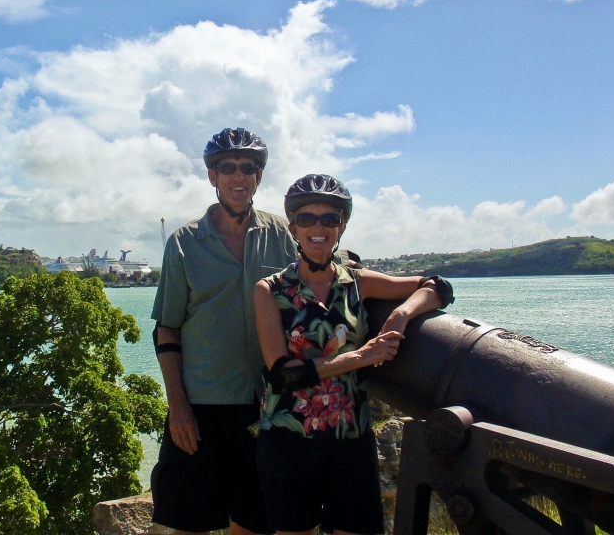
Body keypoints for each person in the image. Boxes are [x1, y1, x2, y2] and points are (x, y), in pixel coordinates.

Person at [253, 174, 454, 535]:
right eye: (307, 219)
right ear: (293, 227)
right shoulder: (270, 290)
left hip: (351, 437)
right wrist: (363, 356)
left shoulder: (357, 281)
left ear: (342, 226)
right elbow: (284, 374)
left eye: (330, 219)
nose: (319, 227)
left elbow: (437, 286)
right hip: (289, 439)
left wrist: (401, 314)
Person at [150, 128, 299, 535]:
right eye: (227, 168)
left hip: (267, 405)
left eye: (249, 168)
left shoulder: (282, 237)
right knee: (189, 522)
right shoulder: (184, 243)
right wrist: (177, 407)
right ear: (212, 176)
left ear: (259, 177)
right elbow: (166, 331)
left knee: (254, 521)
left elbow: (322, 275)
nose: (239, 176)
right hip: (203, 406)